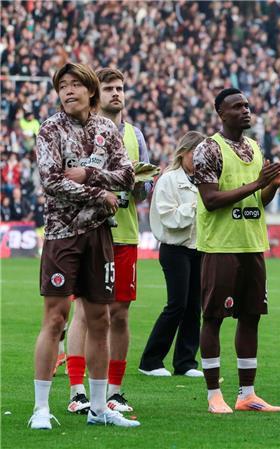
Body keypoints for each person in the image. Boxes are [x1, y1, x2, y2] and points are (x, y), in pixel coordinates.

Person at [30, 62, 139, 429]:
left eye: (76, 84)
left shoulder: (108, 130)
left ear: (91, 90)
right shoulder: (50, 129)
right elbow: (52, 182)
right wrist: (100, 193)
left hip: (100, 236)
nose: (68, 91)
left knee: (100, 319)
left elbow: (126, 174)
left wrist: (89, 174)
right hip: (62, 234)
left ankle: (97, 407)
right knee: (55, 318)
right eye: (63, 85)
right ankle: (41, 408)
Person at [194, 88, 280, 414]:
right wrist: (257, 184)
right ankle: (214, 394)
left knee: (251, 317)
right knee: (214, 318)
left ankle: (247, 393)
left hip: (252, 244)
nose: (245, 110)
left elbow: (259, 201)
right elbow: (211, 201)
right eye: (237, 106)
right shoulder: (208, 150)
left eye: (246, 105)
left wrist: (272, 186)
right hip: (221, 246)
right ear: (220, 113)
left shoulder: (254, 147)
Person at [65, 67, 152, 415]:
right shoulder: (81, 132)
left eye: (120, 88)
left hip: (125, 233)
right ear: (95, 93)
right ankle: (77, 391)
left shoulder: (136, 135)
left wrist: (141, 179)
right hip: (87, 231)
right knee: (84, 312)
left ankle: (115, 392)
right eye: (109, 88)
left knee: (120, 314)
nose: (117, 93)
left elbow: (142, 194)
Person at [139, 131, 206, 377]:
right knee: (176, 305)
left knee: (193, 307)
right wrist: (197, 206)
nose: (200, 160)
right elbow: (170, 218)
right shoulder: (168, 180)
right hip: (175, 249)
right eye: (196, 154)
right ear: (184, 153)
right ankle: (151, 361)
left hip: (198, 247)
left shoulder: (203, 180)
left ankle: (186, 362)